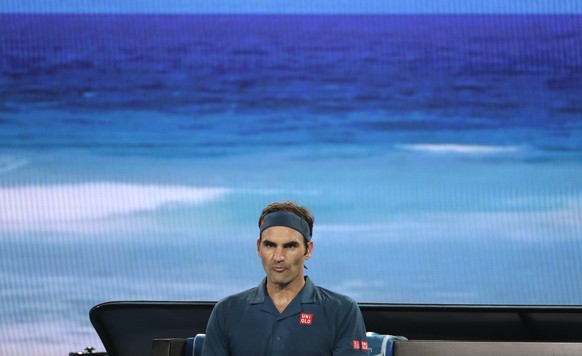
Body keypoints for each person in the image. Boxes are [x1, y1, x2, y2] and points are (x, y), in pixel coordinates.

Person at [202, 201, 369, 356]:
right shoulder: (226, 311)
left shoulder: (342, 311)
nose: (278, 256)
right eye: (270, 245)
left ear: (308, 250)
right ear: (259, 248)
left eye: (290, 246)